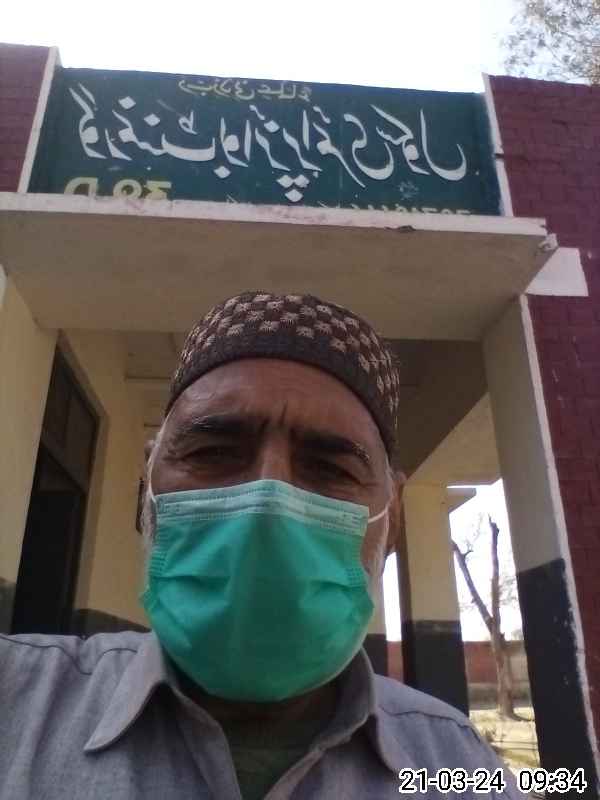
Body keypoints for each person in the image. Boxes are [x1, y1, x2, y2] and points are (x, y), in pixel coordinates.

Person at [0, 291, 519, 798]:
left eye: (330, 468)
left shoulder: (460, 766)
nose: (267, 505)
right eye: (212, 452)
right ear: (147, 490)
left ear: (394, 518)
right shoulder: (14, 698)